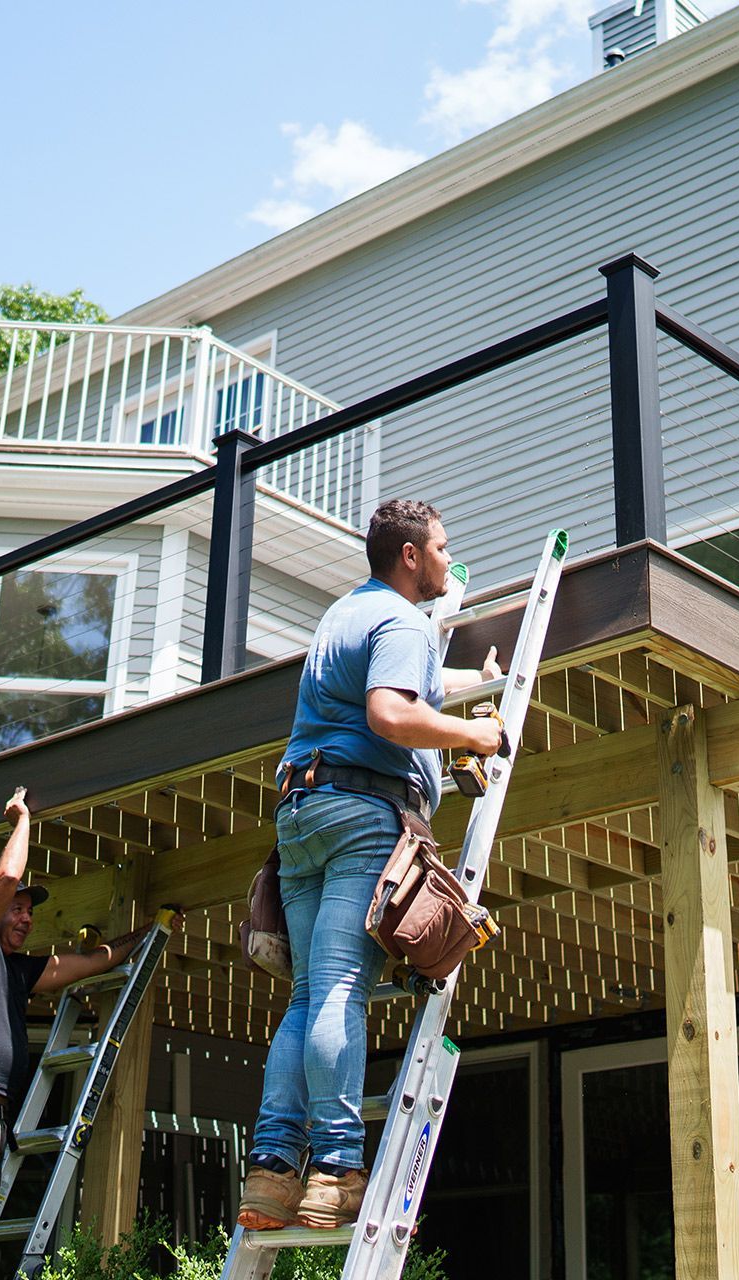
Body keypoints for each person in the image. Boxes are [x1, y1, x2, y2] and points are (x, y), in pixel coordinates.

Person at [237, 499, 504, 1232]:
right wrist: (474, 736)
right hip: (360, 813)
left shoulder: (347, 614)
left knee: (308, 997)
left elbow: (394, 688)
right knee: (338, 996)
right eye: (443, 549)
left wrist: (460, 686)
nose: (451, 561)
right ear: (411, 556)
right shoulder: (403, 620)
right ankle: (334, 1171)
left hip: (303, 815)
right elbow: (390, 713)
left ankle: (270, 1172)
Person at [0, 788, 172, 1280]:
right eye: (18, 909)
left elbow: (91, 962)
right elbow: (6, 879)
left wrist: (146, 933)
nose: (25, 918)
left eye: (30, 912)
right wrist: (23, 820)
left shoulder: (18, 972)